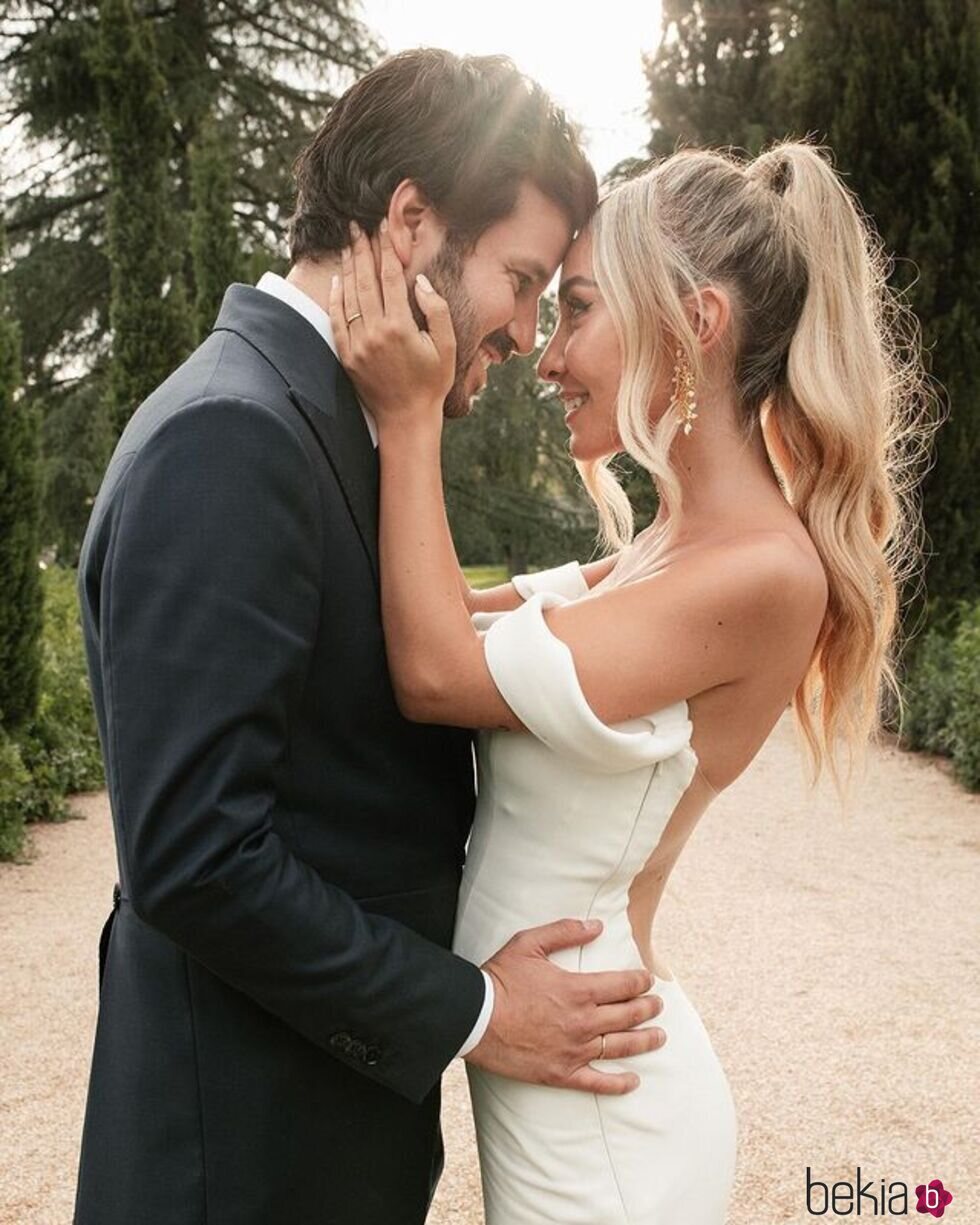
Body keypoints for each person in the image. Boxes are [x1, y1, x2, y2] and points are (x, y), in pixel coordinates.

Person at [72, 50, 669, 1225]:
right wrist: (477, 1011)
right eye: (520, 276)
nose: (526, 329)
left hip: (317, 1144)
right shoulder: (234, 436)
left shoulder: (331, 424)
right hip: (237, 1162)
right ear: (409, 223)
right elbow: (194, 854)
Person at [330, 140, 931, 1222]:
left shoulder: (758, 572)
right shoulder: (660, 552)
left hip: (603, 1111)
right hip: (555, 1077)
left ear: (692, 323)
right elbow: (433, 618)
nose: (547, 355)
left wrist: (409, 414)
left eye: (577, 311)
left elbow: (434, 670)